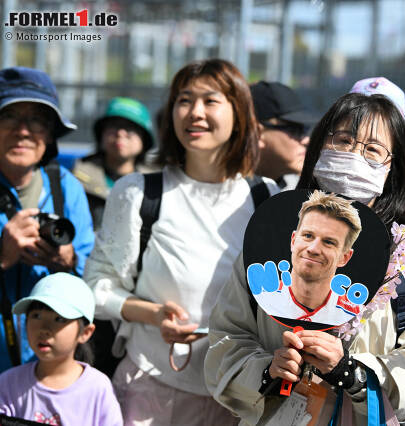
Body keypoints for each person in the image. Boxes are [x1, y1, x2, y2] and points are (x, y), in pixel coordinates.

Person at [206, 93, 405, 425]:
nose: (353, 156)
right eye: (344, 140)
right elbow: (228, 335)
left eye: (372, 150)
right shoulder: (273, 236)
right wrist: (267, 370)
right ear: (320, 147)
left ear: (393, 167)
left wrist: (351, 372)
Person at [83, 58, 279, 425]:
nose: (195, 112)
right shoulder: (138, 193)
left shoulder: (264, 197)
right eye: (184, 100)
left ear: (238, 112)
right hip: (151, 388)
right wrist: (154, 315)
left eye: (210, 100)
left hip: (237, 396)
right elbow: (95, 287)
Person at [0, 67, 94, 373]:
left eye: (38, 121)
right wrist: (4, 256)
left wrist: (69, 261)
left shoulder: (66, 187)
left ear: (50, 134)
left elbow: (94, 273)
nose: (23, 131)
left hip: (49, 371)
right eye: (9, 117)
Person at [0, 272, 122, 425]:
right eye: (36, 316)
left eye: (59, 319)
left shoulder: (97, 388)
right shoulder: (8, 383)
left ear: (85, 332)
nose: (44, 329)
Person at [254, 190, 362, 324]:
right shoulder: (257, 297)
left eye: (328, 242)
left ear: (345, 257)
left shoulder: (359, 314)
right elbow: (227, 333)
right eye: (308, 236)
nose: (313, 249)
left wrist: (344, 346)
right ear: (293, 241)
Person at [73, 97, 155, 230]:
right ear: (101, 135)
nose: (120, 133)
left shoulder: (156, 185)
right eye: (114, 126)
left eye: (130, 128)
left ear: (144, 139)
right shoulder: (75, 178)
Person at [251, 81, 316, 190]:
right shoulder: (230, 192)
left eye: (305, 129)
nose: (306, 140)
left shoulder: (298, 189)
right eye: (294, 129)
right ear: (258, 133)